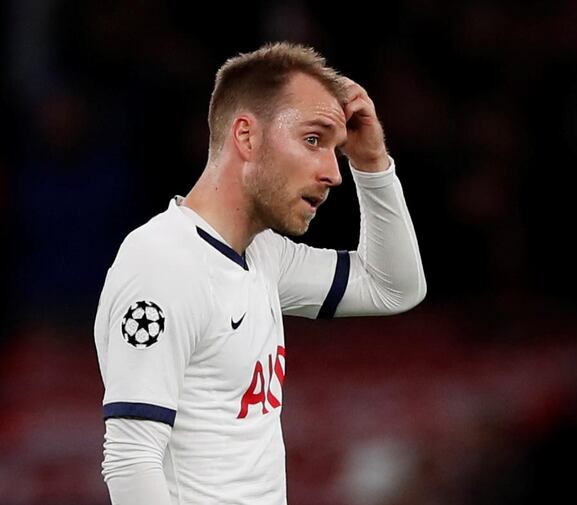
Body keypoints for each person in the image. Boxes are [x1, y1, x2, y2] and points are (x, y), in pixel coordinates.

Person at [94, 42, 426, 505]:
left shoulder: (263, 255)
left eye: (337, 149)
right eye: (314, 140)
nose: (333, 172)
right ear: (246, 137)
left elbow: (394, 288)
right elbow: (131, 460)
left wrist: (371, 164)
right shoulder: (162, 262)